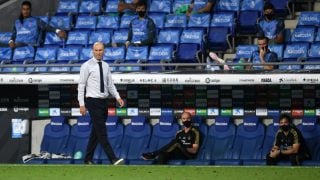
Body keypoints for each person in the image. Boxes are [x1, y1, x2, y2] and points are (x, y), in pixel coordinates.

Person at [78, 42, 125, 165]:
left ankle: (87, 158)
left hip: (104, 102)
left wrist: (118, 97)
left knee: (96, 131)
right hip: (92, 101)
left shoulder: (106, 66)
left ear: (104, 51)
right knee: (102, 131)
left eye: (100, 50)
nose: (98, 52)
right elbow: (81, 85)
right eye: (96, 50)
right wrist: (81, 104)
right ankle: (113, 158)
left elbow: (110, 84)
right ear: (92, 51)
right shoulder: (86, 66)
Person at [209, 36, 277, 70]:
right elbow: (248, 68)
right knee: (241, 62)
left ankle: (221, 62)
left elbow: (270, 69)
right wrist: (245, 65)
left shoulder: (272, 55)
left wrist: (261, 57)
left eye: (264, 44)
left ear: (267, 43)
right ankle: (222, 64)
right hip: (252, 75)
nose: (261, 46)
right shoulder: (254, 53)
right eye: (260, 44)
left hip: (263, 76)